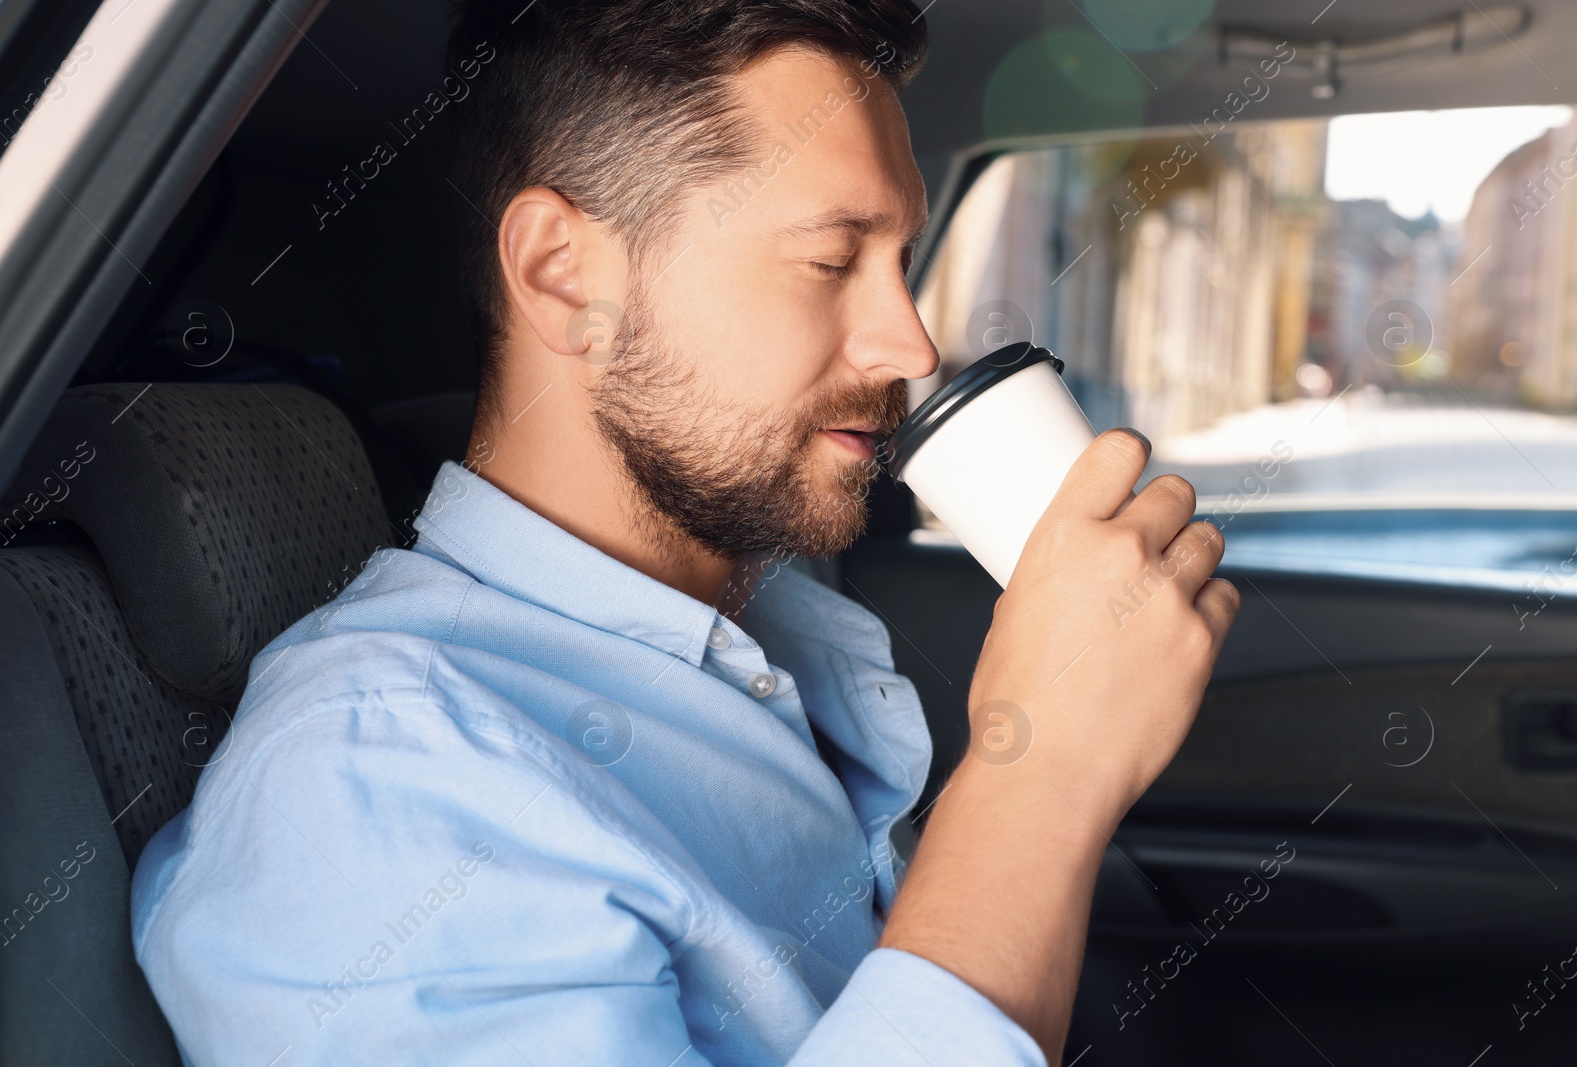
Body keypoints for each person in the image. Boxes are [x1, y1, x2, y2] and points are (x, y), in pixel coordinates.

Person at [131, 0, 1239, 1063]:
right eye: (830, 258)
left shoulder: (772, 630)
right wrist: (1038, 772)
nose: (909, 344)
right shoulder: (372, 786)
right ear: (565, 276)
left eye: (899, 262)